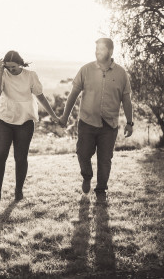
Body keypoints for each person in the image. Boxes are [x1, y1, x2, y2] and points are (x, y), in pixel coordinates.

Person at [59, 38, 133, 203]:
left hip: (109, 125)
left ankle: (101, 191)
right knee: (82, 153)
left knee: (105, 159)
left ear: (110, 51)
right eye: (96, 49)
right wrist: (65, 116)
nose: (97, 52)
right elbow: (73, 95)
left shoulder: (121, 74)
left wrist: (130, 122)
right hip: (87, 122)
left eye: (101, 49)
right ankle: (87, 176)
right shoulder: (86, 70)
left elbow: (126, 100)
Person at [0, 50, 60, 207]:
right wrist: (0, 72)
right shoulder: (4, 74)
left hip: (25, 122)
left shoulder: (30, 76)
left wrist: (53, 115)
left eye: (13, 67)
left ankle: (18, 191)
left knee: (21, 158)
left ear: (20, 64)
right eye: (8, 67)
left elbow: (41, 97)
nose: (11, 70)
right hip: (4, 121)